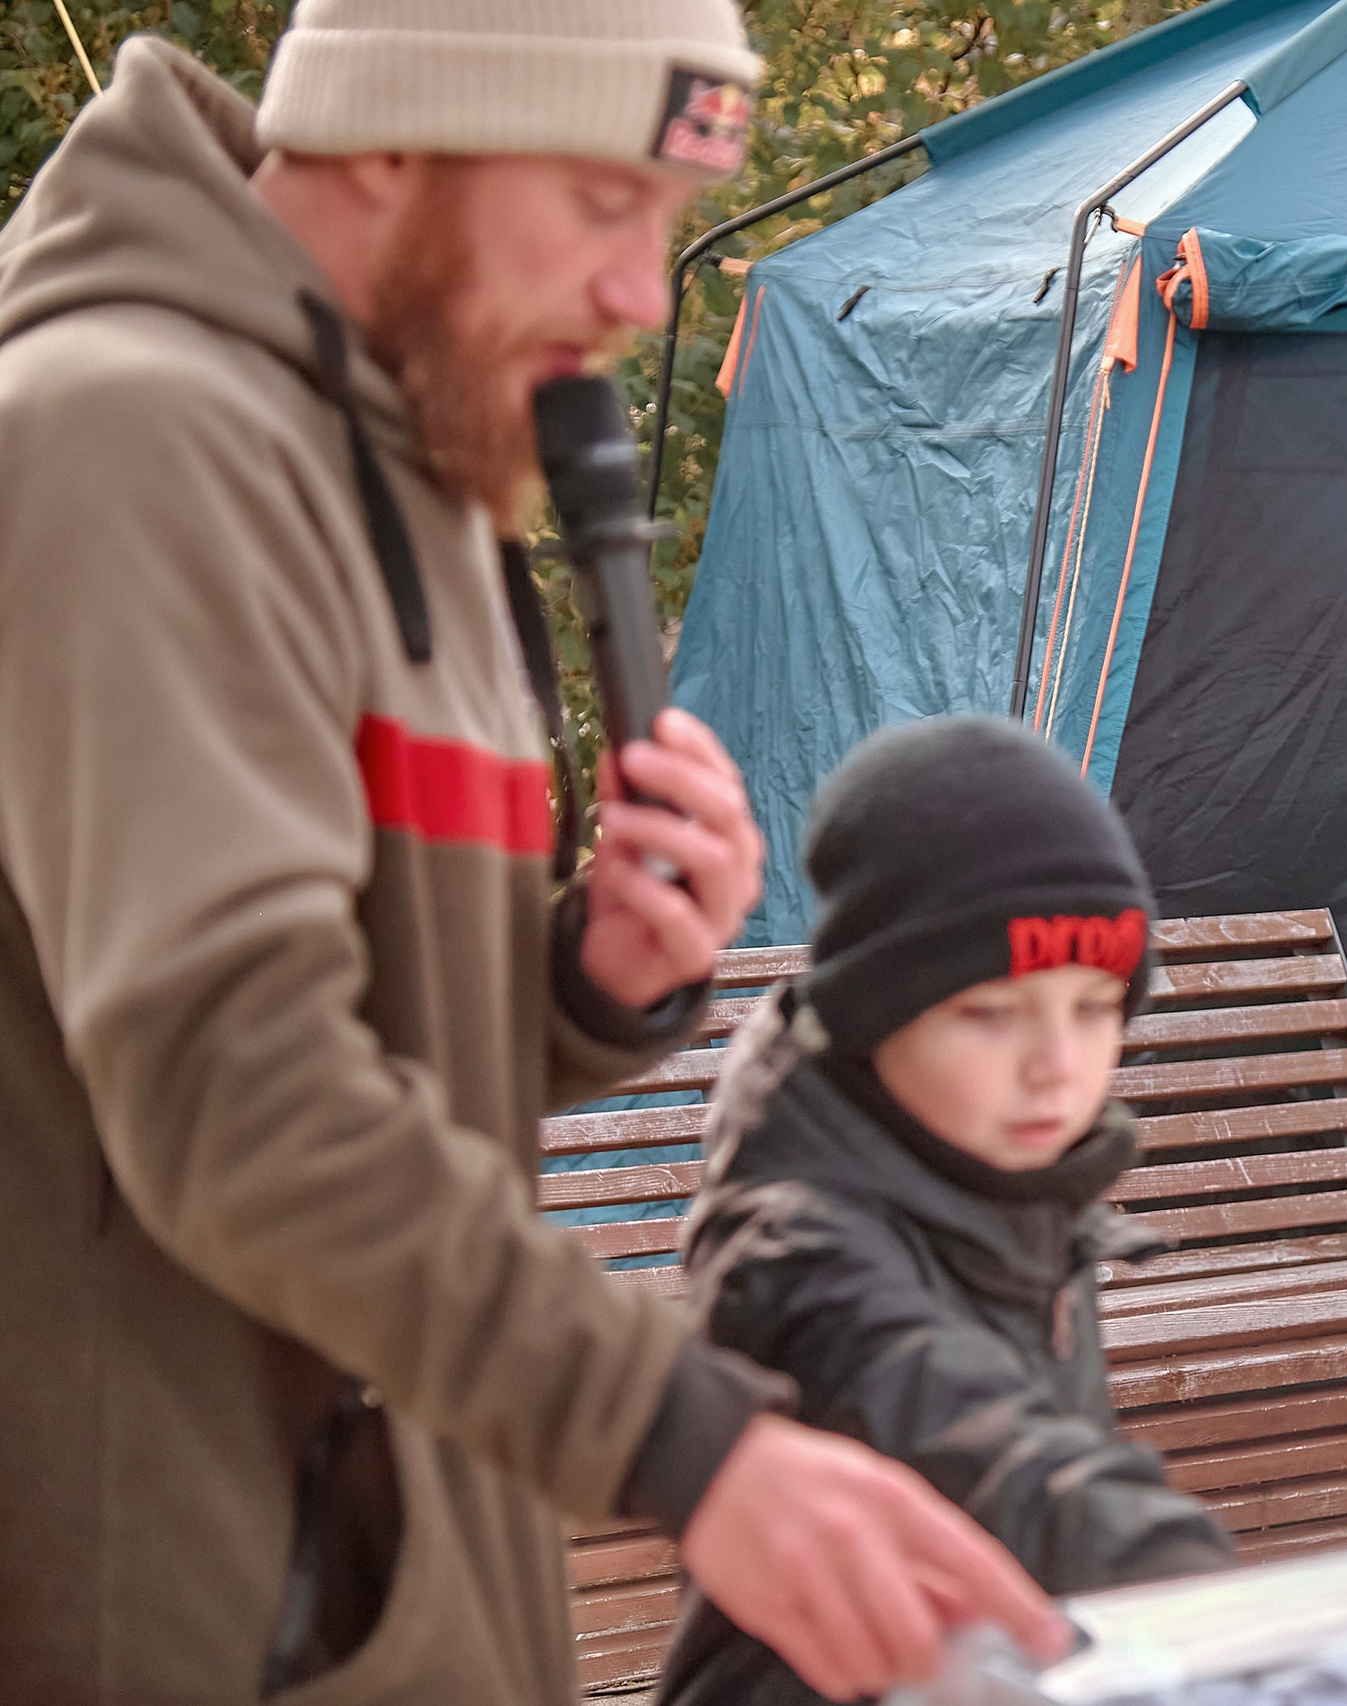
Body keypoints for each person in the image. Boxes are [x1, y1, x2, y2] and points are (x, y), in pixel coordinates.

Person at [0, 8, 1059, 1704]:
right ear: (395, 137)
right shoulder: (132, 433)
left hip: (400, 1596)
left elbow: (354, 1032)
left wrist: (574, 984)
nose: (648, 290)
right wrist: (692, 1438)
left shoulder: (410, 458)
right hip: (183, 1614)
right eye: (599, 202)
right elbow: (235, 1093)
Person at [659, 717, 1236, 1704]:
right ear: (876, 1009)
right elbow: (962, 1428)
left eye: (1095, 1006)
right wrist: (1192, 1584)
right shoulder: (792, 1246)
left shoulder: (1007, 1178)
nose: (1058, 1064)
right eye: (990, 1011)